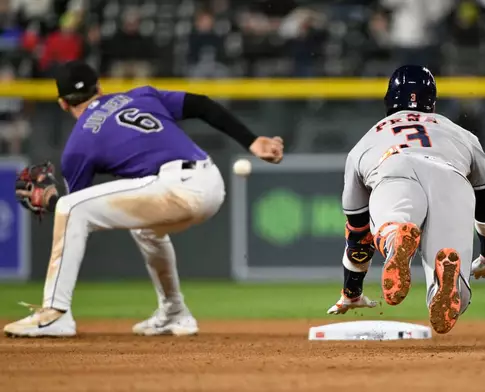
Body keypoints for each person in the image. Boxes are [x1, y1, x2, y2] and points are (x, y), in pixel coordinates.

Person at [4, 61, 284, 338]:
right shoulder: (141, 95)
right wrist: (250, 141)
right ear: (100, 87)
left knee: (69, 207)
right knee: (145, 229)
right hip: (209, 181)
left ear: (63, 104)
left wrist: (52, 201)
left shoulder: (77, 147)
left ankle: (55, 313)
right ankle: (175, 313)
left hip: (176, 188)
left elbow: (74, 213)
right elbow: (201, 104)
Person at [326, 65, 485, 334]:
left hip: (394, 170)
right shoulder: (460, 133)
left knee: (389, 226)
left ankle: (396, 237)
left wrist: (352, 291)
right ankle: (445, 283)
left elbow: (358, 236)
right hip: (452, 179)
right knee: (458, 296)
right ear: (432, 101)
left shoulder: (366, 141)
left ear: (389, 99)